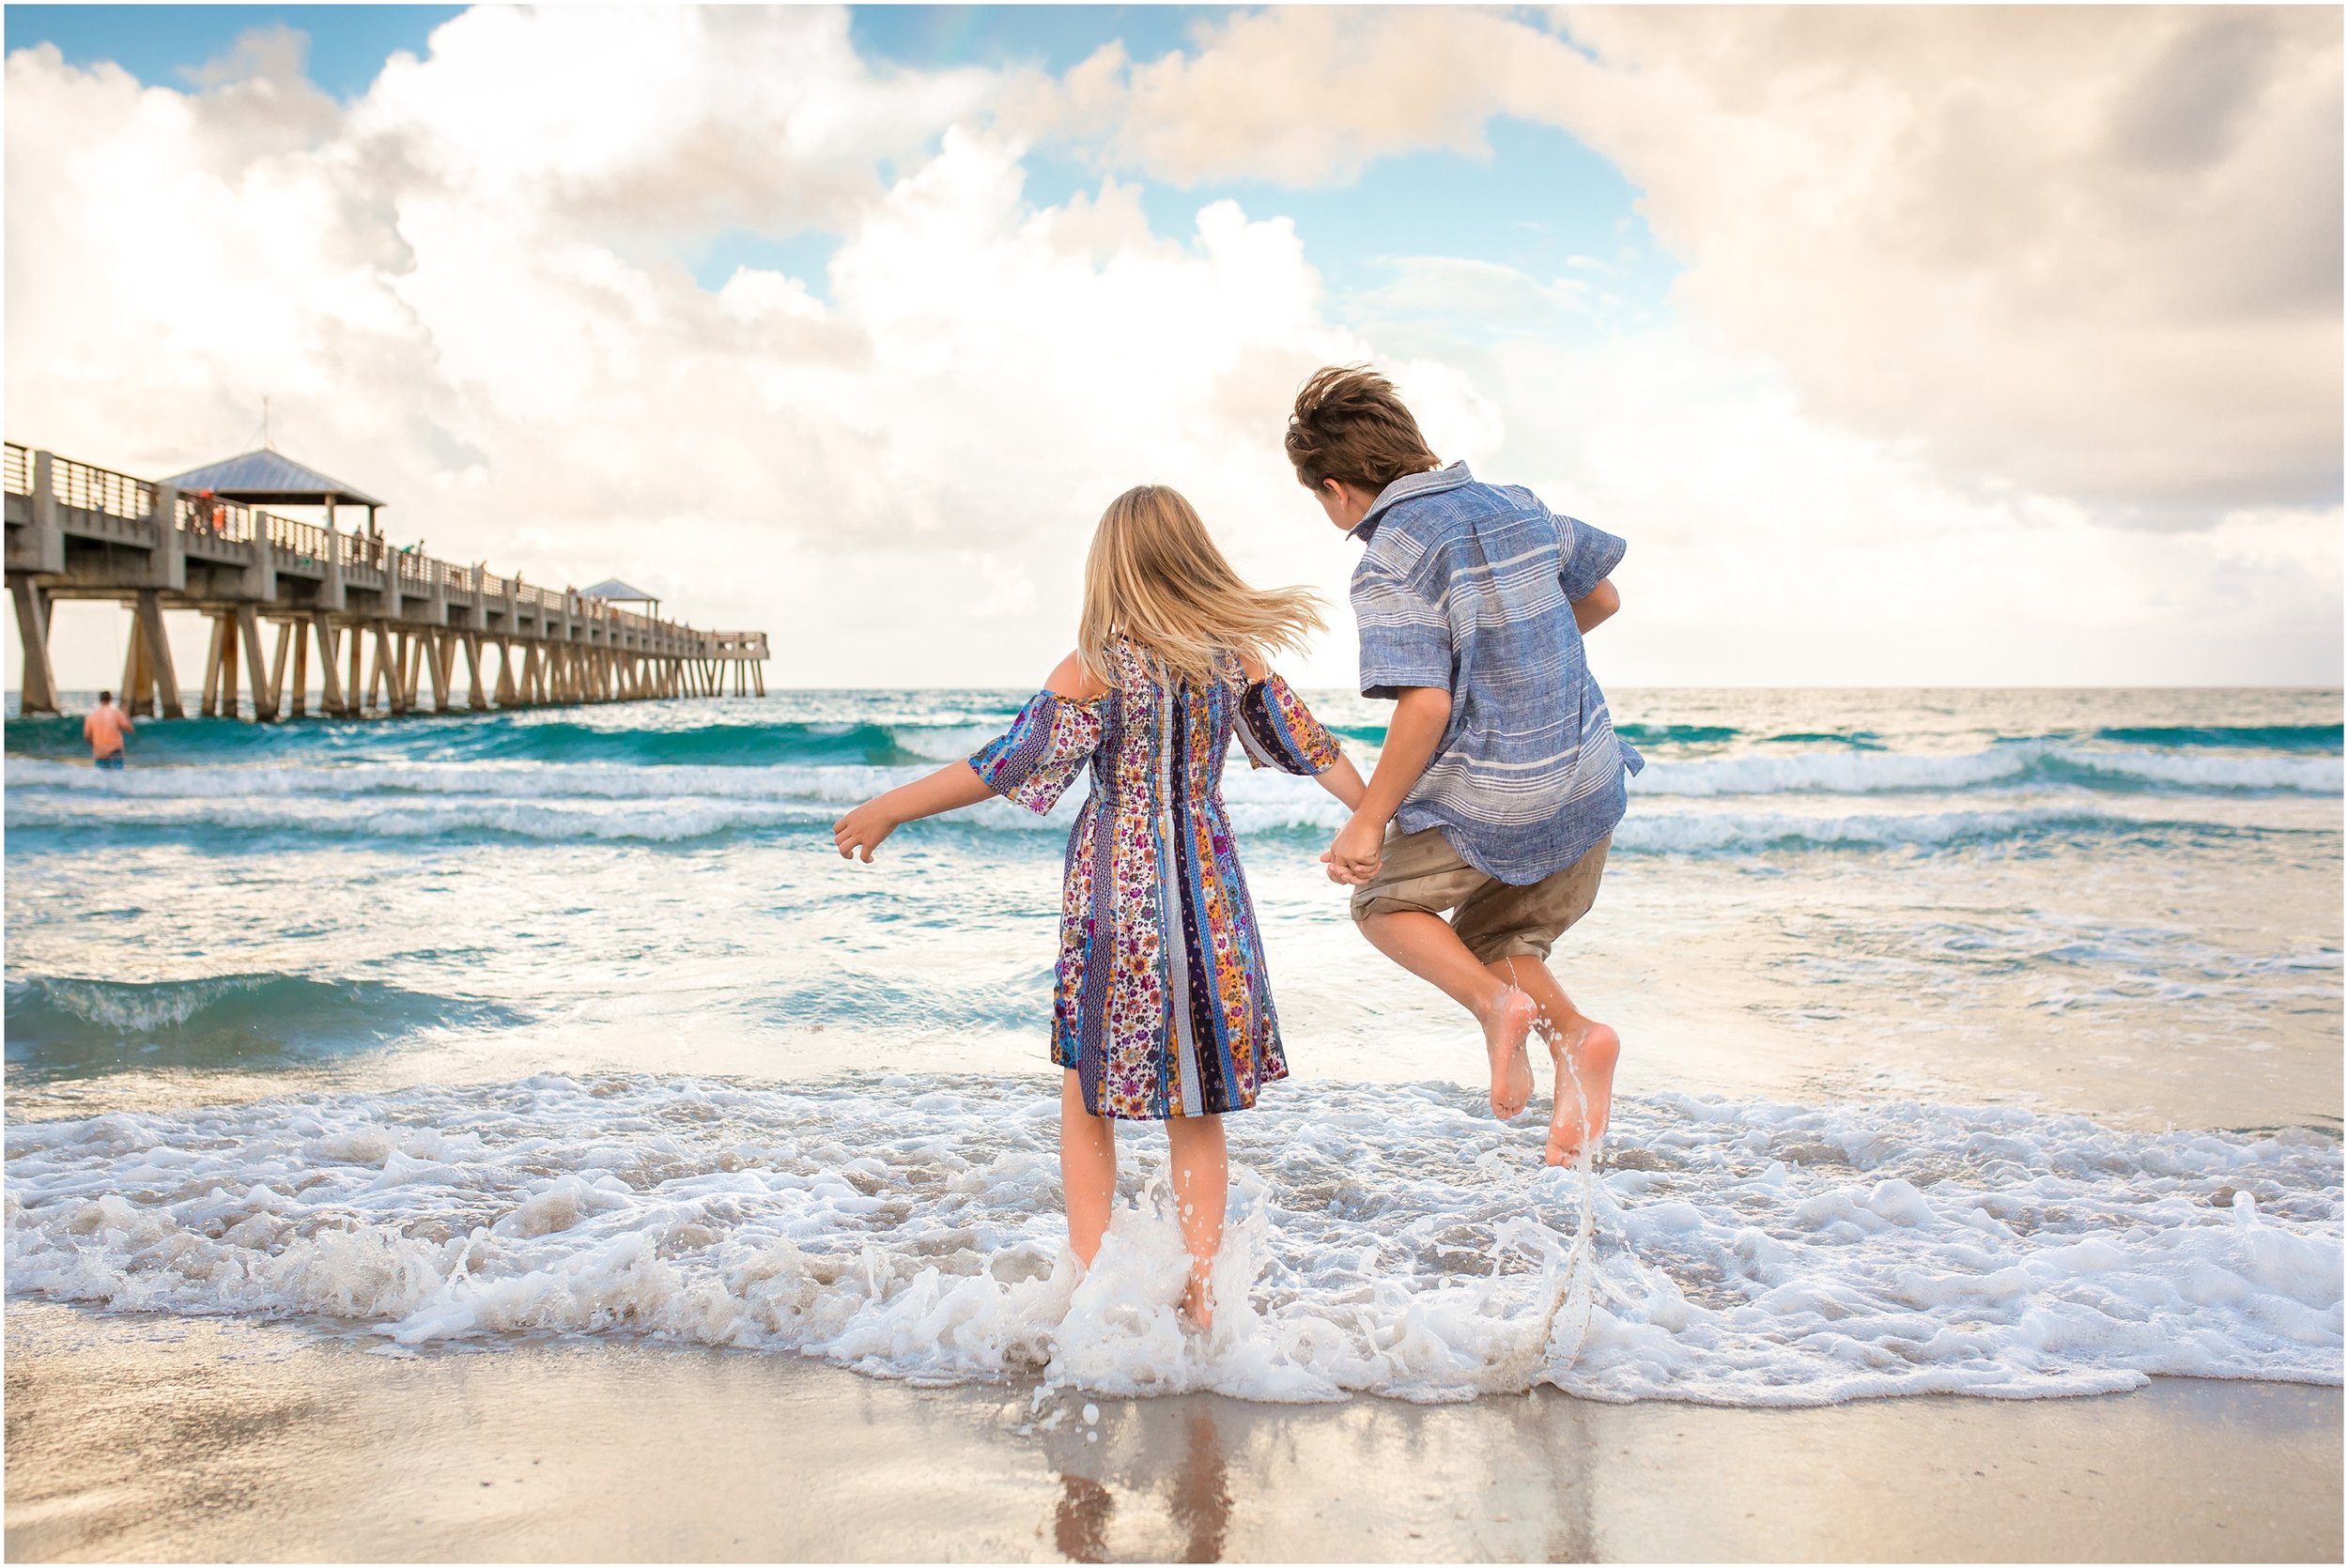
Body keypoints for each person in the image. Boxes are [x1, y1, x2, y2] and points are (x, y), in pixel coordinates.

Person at [832, 484, 1365, 1328]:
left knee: (1089, 1098)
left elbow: (1003, 765)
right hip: (1211, 893)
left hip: (1118, 894)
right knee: (1196, 1105)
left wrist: (893, 804)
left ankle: (1087, 1289)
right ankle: (1202, 1297)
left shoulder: (1097, 668)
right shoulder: (1239, 660)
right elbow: (1316, 750)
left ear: (1109, 564)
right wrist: (1372, 822)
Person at [1288, 365, 1638, 1165]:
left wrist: (1367, 820)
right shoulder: (1518, 504)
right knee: (1499, 931)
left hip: (1500, 794)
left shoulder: (1391, 556)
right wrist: (1522, 654)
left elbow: (1427, 706)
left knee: (1383, 902)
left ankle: (1493, 1009)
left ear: (1338, 489)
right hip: (1587, 779)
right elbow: (1604, 599)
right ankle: (1577, 1040)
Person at [84, 689, 133, 769]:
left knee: (101, 778)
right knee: (117, 777)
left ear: (100, 700)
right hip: (115, 750)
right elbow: (129, 729)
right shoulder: (117, 713)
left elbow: (87, 736)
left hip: (99, 751)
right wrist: (126, 714)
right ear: (110, 699)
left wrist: (95, 745)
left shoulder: (91, 716)